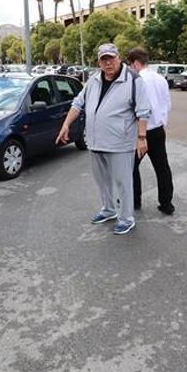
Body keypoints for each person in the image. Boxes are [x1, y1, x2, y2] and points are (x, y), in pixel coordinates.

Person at [56, 43, 151, 235]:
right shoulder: (93, 80)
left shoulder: (133, 80)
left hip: (120, 142)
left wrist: (141, 137)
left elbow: (143, 111)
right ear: (99, 62)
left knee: (123, 182)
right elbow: (78, 103)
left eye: (111, 58)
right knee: (102, 181)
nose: (108, 63)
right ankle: (108, 209)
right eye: (104, 59)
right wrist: (66, 124)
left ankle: (126, 218)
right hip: (96, 141)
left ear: (119, 58)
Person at [127, 47, 175, 215]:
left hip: (142, 132)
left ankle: (135, 201)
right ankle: (166, 203)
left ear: (135, 63)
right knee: (162, 167)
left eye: (130, 65)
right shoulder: (160, 78)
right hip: (158, 130)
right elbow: (167, 104)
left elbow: (138, 108)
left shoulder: (137, 80)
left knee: (131, 167)